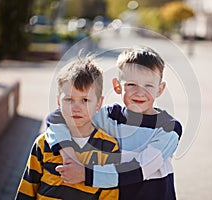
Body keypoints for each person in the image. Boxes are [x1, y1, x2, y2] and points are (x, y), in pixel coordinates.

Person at [46, 46, 182, 200]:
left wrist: (86, 174)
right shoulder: (109, 117)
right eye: (131, 84)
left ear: (160, 89)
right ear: (118, 86)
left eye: (149, 85)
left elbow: (140, 168)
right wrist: (68, 155)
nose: (139, 92)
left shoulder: (169, 128)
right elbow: (57, 118)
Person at [15, 56, 120, 200]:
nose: (76, 108)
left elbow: (110, 195)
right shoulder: (43, 143)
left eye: (85, 100)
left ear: (98, 103)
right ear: (59, 101)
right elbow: (27, 190)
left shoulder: (108, 147)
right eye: (69, 99)